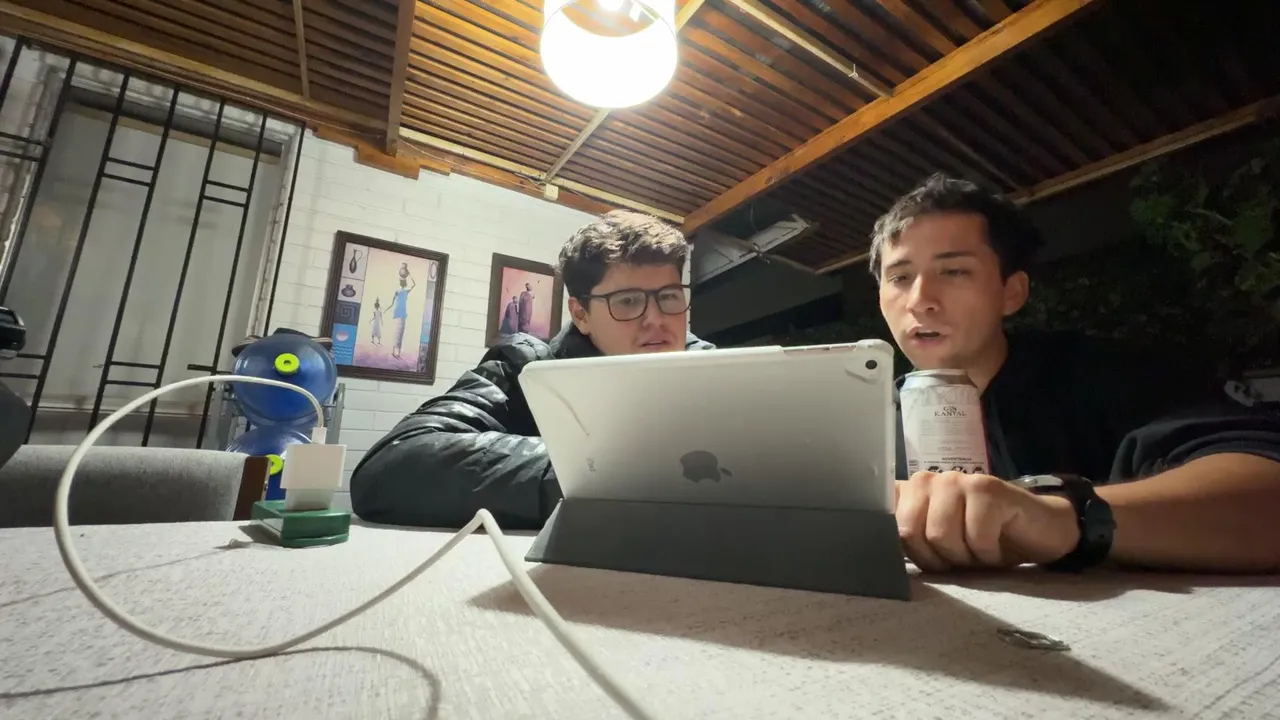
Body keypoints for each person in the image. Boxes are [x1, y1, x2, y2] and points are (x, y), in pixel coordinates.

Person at [874, 174, 1280, 574]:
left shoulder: (1107, 375)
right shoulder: (871, 422)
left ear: (1011, 292)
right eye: (900, 277)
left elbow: (1264, 485)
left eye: (954, 271)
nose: (920, 300)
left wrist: (1067, 517)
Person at [350, 210, 713, 529]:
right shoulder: (522, 368)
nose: (656, 319)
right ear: (581, 314)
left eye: (669, 296)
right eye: (629, 301)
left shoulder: (719, 375)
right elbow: (391, 467)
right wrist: (592, 471)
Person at [390, 272, 414, 360]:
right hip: (402, 315)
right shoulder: (405, 291)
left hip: (397, 314)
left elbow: (393, 301)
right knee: (400, 333)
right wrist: (410, 274)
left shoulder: (398, 291)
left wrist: (391, 306)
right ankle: (397, 353)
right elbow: (414, 284)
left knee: (396, 333)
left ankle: (394, 352)